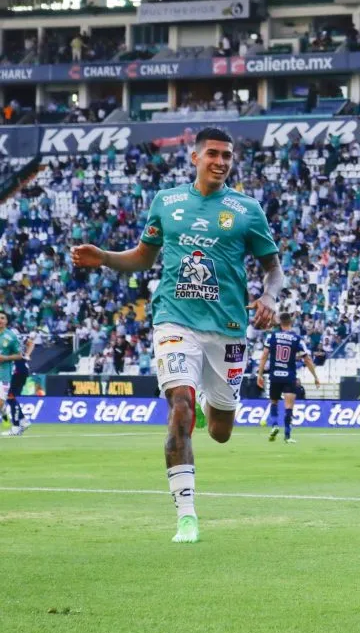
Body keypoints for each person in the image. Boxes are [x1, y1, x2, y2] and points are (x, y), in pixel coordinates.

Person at [71, 127, 283, 544]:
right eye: (213, 154)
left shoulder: (246, 209)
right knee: (180, 406)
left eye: (227, 156)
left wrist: (270, 298)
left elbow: (273, 268)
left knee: (220, 431)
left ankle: (210, 401)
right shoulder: (166, 202)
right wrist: (105, 259)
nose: (221, 162)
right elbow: (142, 257)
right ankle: (186, 514)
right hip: (174, 320)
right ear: (194, 157)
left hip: (226, 328)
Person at [256, 311, 320, 444]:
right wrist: (315, 376)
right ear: (290, 322)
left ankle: (274, 426)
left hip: (275, 376)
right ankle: (287, 436)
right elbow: (307, 359)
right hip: (289, 376)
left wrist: (260, 374)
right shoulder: (296, 339)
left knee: (274, 402)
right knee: (289, 406)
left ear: (280, 322)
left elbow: (264, 356)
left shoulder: (271, 337)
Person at [0, 312, 28, 437]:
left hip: (8, 373)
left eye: (2, 318)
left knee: (7, 400)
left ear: (6, 321)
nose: (0, 320)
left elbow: (19, 354)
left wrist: (5, 358)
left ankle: (17, 424)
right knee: (10, 399)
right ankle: (21, 421)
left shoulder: (11, 336)